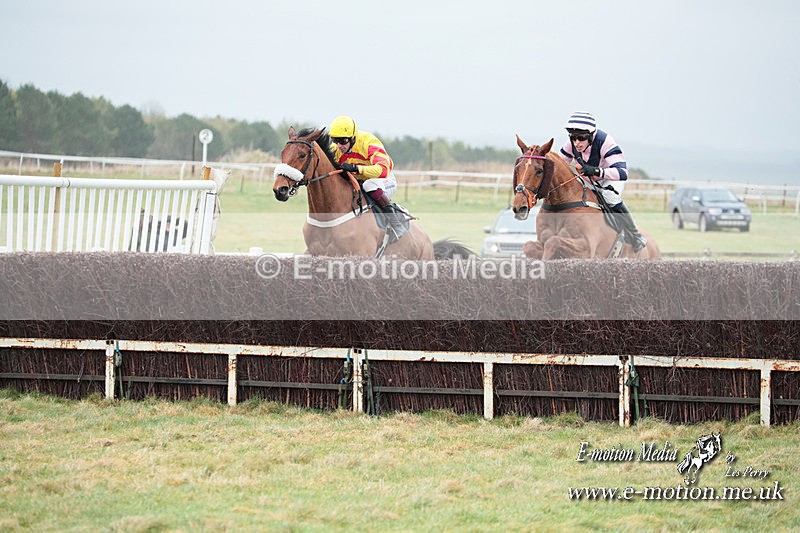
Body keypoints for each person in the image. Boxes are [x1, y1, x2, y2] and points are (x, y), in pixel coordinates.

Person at [559, 111, 648, 253]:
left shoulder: (605, 142)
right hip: (588, 180)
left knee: (609, 196)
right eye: (573, 137)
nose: (576, 143)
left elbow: (622, 173)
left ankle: (635, 235)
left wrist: (596, 171)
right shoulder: (571, 144)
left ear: (591, 135)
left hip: (610, 179)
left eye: (581, 138)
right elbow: (560, 165)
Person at [328, 115, 406, 238]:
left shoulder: (369, 143)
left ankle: (396, 223)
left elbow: (383, 170)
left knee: (369, 185)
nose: (339, 145)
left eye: (343, 141)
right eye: (334, 140)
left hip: (383, 180)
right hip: (359, 182)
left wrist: (356, 168)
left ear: (353, 138)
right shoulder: (336, 150)